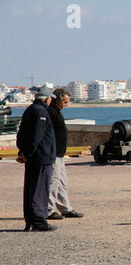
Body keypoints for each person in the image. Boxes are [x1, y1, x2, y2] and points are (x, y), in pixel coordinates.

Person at [16, 87, 57, 231]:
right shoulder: (41, 112)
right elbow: (36, 136)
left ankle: (31, 221)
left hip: (33, 156)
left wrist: (22, 151)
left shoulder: (30, 110)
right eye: (51, 98)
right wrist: (27, 153)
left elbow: (21, 133)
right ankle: (39, 221)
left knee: (31, 189)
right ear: (47, 99)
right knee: (39, 189)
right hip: (40, 157)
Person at [47, 88, 84, 219]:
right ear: (58, 100)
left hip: (60, 154)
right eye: (65, 102)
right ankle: (49, 210)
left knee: (62, 182)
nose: (66, 105)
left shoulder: (57, 110)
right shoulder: (51, 111)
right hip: (53, 153)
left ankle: (65, 208)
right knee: (53, 181)